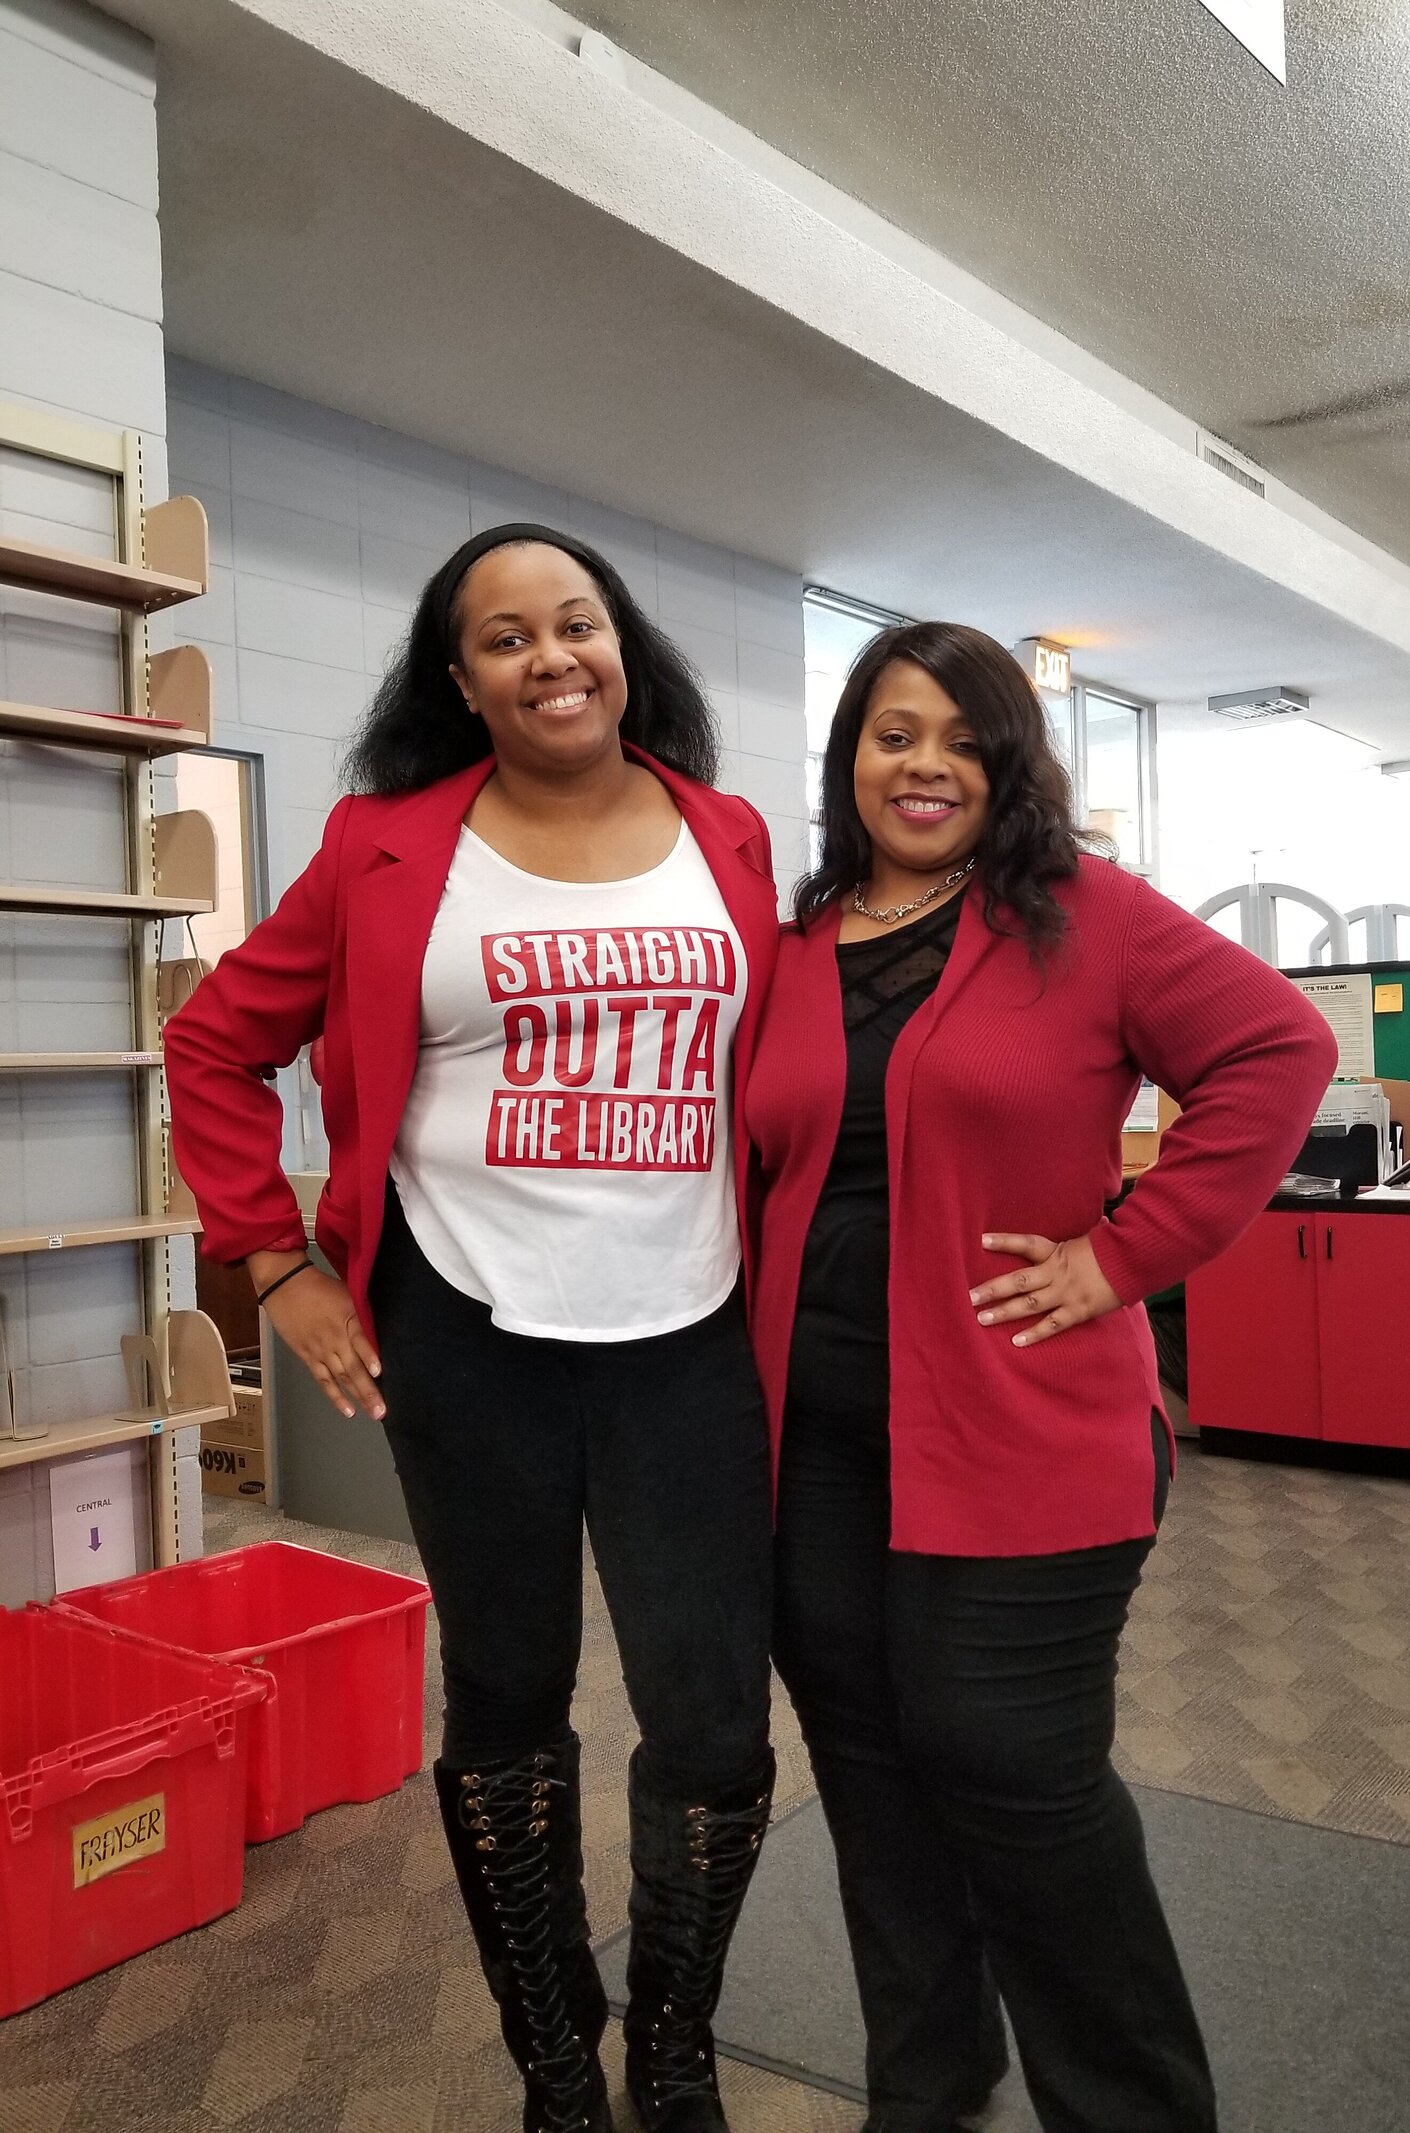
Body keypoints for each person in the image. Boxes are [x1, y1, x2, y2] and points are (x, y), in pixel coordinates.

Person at [165, 524, 782, 2133]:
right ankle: (557, 2059)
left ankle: (676, 2036)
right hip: (469, 1333)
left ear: (622, 639)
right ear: (461, 680)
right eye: (505, 638)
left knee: (711, 1718)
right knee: (507, 1701)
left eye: (574, 622)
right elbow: (213, 1047)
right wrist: (275, 1264)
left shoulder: (725, 836)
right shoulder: (384, 844)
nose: (550, 656)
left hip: (691, 1336)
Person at [745, 622, 1337, 2133]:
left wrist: (1122, 1255)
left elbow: (1280, 1047)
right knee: (873, 1791)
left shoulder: (1080, 917)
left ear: (1011, 765)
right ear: (850, 759)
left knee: (1020, 1779)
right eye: (893, 732)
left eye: (964, 736)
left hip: (1025, 1434)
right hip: (817, 1451)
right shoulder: (797, 946)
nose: (925, 761)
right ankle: (925, 2094)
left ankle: (1133, 2111)